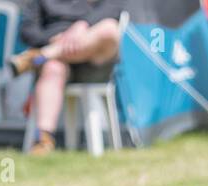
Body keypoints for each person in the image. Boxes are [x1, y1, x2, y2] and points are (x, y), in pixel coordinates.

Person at [11, 0, 124, 155]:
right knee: (53, 68)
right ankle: (44, 141)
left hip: (93, 61)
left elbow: (114, 7)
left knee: (109, 29)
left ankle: (41, 56)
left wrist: (83, 25)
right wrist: (54, 39)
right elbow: (27, 31)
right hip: (57, 62)